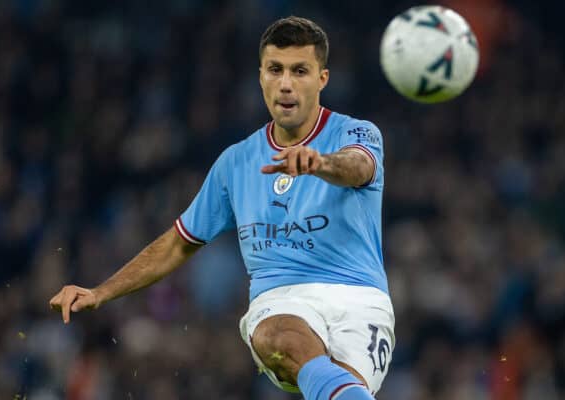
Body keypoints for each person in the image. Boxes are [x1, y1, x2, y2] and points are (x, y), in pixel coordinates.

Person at [50, 16, 395, 400]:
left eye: (300, 71)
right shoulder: (236, 162)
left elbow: (359, 166)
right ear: (260, 76)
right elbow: (179, 243)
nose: (285, 83)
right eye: (275, 70)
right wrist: (101, 292)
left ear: (322, 79)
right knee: (276, 333)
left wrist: (321, 163)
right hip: (282, 300)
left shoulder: (355, 132)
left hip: (361, 300)